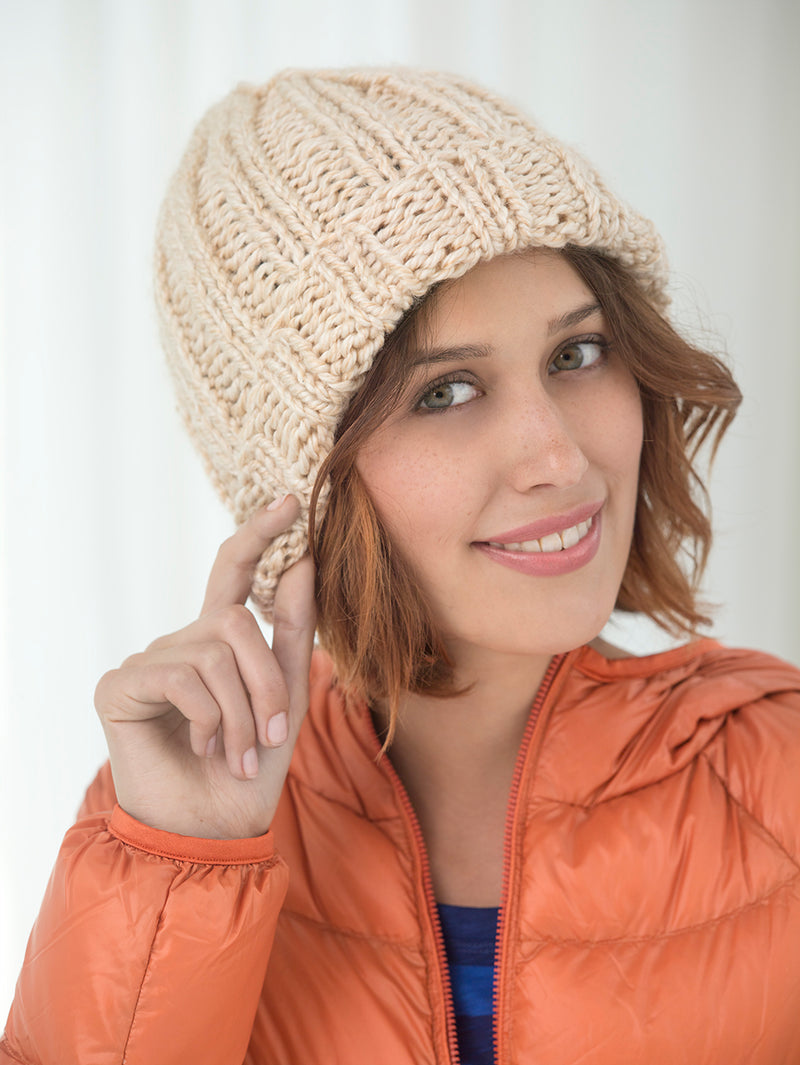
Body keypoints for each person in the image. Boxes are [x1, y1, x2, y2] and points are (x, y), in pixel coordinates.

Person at [2, 67, 800, 1065]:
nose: (556, 457)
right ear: (299, 482)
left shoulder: (775, 775)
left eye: (576, 354)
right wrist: (179, 869)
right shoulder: (174, 814)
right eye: (444, 392)